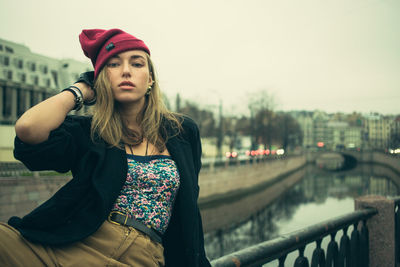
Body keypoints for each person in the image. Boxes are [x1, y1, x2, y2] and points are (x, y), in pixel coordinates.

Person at [0, 28, 211, 267]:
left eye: (137, 64)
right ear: (101, 78)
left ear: (150, 79)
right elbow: (28, 129)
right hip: (69, 244)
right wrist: (81, 90)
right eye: (113, 64)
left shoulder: (181, 130)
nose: (126, 71)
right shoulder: (90, 132)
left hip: (140, 254)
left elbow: (189, 208)